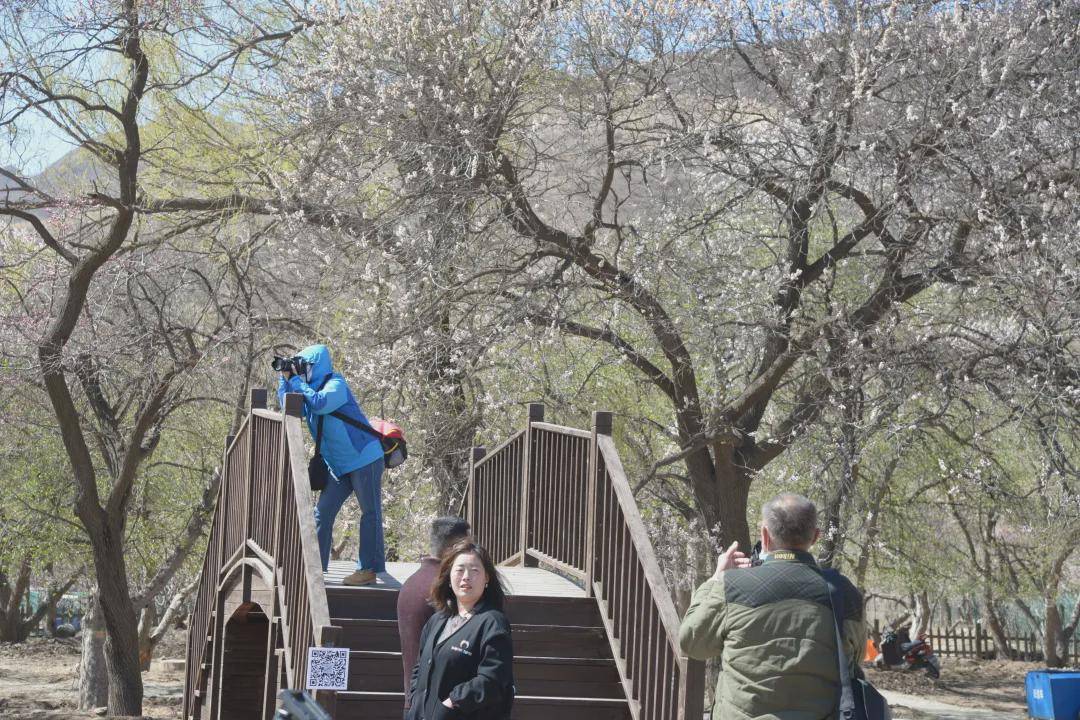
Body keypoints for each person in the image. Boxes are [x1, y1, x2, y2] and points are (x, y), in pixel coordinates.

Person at [678, 493, 867, 720]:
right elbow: (856, 658)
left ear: (765, 536)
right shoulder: (845, 594)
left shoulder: (731, 586)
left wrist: (716, 578)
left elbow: (692, 642)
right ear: (815, 537)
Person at [277, 343, 385, 586]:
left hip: (364, 457)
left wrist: (296, 382)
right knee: (322, 513)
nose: (300, 371)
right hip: (339, 466)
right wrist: (285, 380)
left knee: (370, 512)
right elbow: (289, 408)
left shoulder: (335, 384)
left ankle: (368, 569)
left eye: (303, 367)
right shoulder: (306, 388)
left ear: (316, 367)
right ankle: (314, 568)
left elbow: (321, 403)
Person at [406, 542, 514, 720]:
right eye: (460, 569)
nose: (466, 577)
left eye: (474, 570)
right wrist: (414, 701)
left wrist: (452, 703)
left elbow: (492, 680)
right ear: (448, 577)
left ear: (487, 578)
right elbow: (419, 668)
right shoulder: (437, 621)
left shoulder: (493, 623)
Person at [398, 516, 472, 713]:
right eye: (466, 547)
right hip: (438, 705)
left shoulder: (411, 583)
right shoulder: (444, 588)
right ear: (453, 547)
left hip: (416, 702)